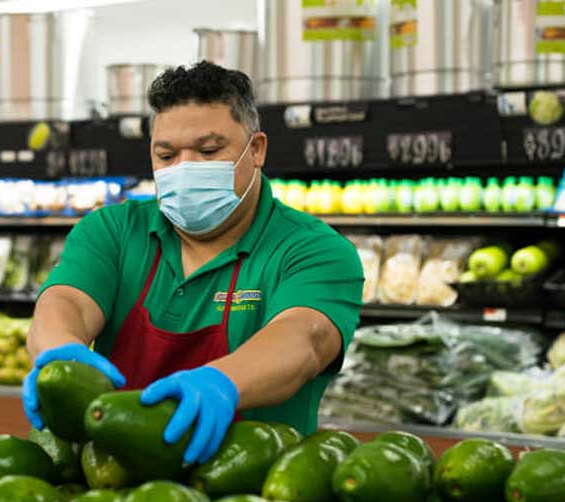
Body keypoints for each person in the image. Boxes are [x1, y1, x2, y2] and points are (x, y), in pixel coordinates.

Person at [23, 62, 364, 465]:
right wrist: (60, 352)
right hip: (109, 474)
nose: (184, 169)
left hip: (256, 495)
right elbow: (67, 302)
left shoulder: (311, 249)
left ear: (255, 151)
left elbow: (303, 338)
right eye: (166, 155)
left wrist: (223, 383)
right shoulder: (112, 231)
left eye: (208, 150)